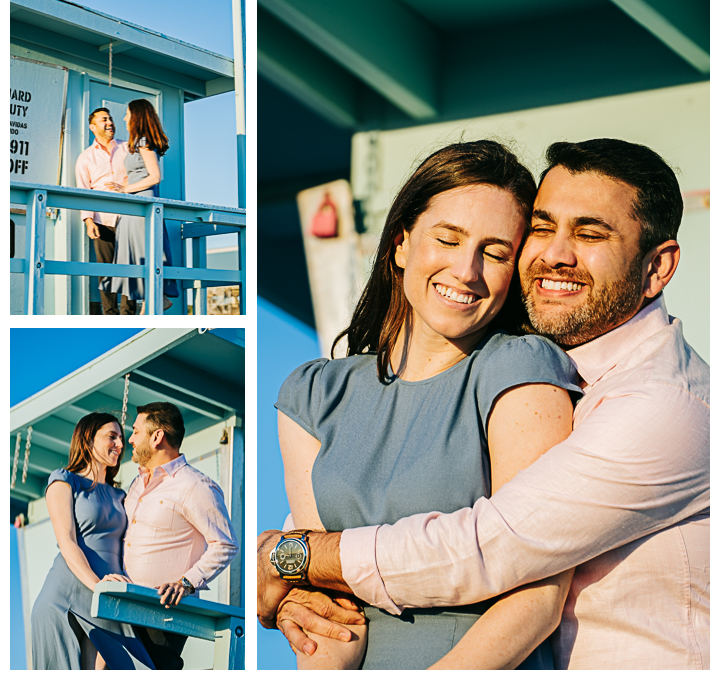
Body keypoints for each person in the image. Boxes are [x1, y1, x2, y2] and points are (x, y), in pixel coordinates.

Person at [258, 139, 710, 669]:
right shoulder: (319, 392)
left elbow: (493, 546)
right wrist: (294, 580)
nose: (555, 254)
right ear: (401, 244)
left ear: (658, 268)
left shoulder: (661, 405)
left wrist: (297, 557)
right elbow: (321, 600)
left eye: (589, 234)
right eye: (543, 229)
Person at [270, 141, 585, 669]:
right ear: (400, 244)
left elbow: (538, 600)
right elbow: (324, 611)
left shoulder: (523, 369)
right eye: (449, 238)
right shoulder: (313, 396)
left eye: (496, 252)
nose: (467, 270)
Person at [31, 412, 155, 669]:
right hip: (66, 595)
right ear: (87, 439)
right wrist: (98, 586)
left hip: (109, 596)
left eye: (122, 438)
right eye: (112, 437)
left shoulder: (122, 494)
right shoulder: (63, 480)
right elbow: (66, 542)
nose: (120, 445)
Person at [122, 402, 239, 669]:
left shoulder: (195, 485)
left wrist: (186, 583)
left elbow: (225, 544)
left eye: (136, 431)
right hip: (123, 606)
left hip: (162, 615)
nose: (130, 438)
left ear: (157, 437)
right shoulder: (136, 484)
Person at [109, 99, 179, 315]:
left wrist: (124, 189)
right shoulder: (137, 143)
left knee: (144, 250)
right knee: (138, 252)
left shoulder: (143, 141)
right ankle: (155, 301)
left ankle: (157, 300)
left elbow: (155, 176)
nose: (124, 119)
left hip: (143, 204)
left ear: (137, 116)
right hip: (136, 203)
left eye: (127, 114)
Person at [75, 106, 134, 315]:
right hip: (101, 219)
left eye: (110, 119)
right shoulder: (85, 158)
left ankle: (128, 314)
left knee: (130, 268)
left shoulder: (128, 149)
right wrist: (88, 221)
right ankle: (109, 313)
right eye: (103, 120)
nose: (110, 123)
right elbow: (83, 190)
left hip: (129, 218)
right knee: (106, 269)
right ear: (93, 127)